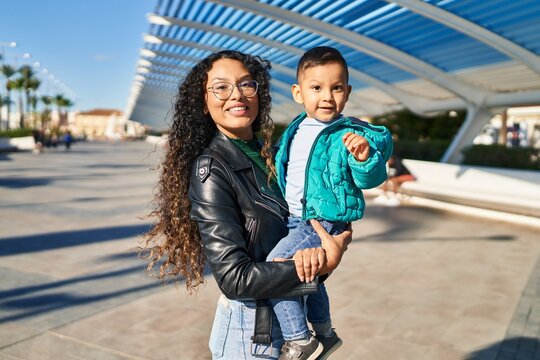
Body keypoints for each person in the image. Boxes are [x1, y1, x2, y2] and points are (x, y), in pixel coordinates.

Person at [139, 50, 352, 360]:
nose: (236, 95)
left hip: (291, 326)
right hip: (251, 336)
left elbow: (297, 236)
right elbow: (234, 278)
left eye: (245, 84)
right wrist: (322, 264)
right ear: (203, 101)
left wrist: (322, 250)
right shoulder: (211, 171)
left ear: (258, 93)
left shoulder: (275, 156)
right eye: (221, 87)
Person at [269, 46, 393, 360]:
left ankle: (300, 339)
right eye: (316, 88)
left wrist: (364, 158)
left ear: (347, 92)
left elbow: (370, 178)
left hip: (321, 219)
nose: (327, 96)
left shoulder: (350, 134)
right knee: (308, 275)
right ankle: (325, 333)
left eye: (336, 88)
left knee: (277, 269)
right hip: (295, 217)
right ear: (298, 93)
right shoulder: (296, 128)